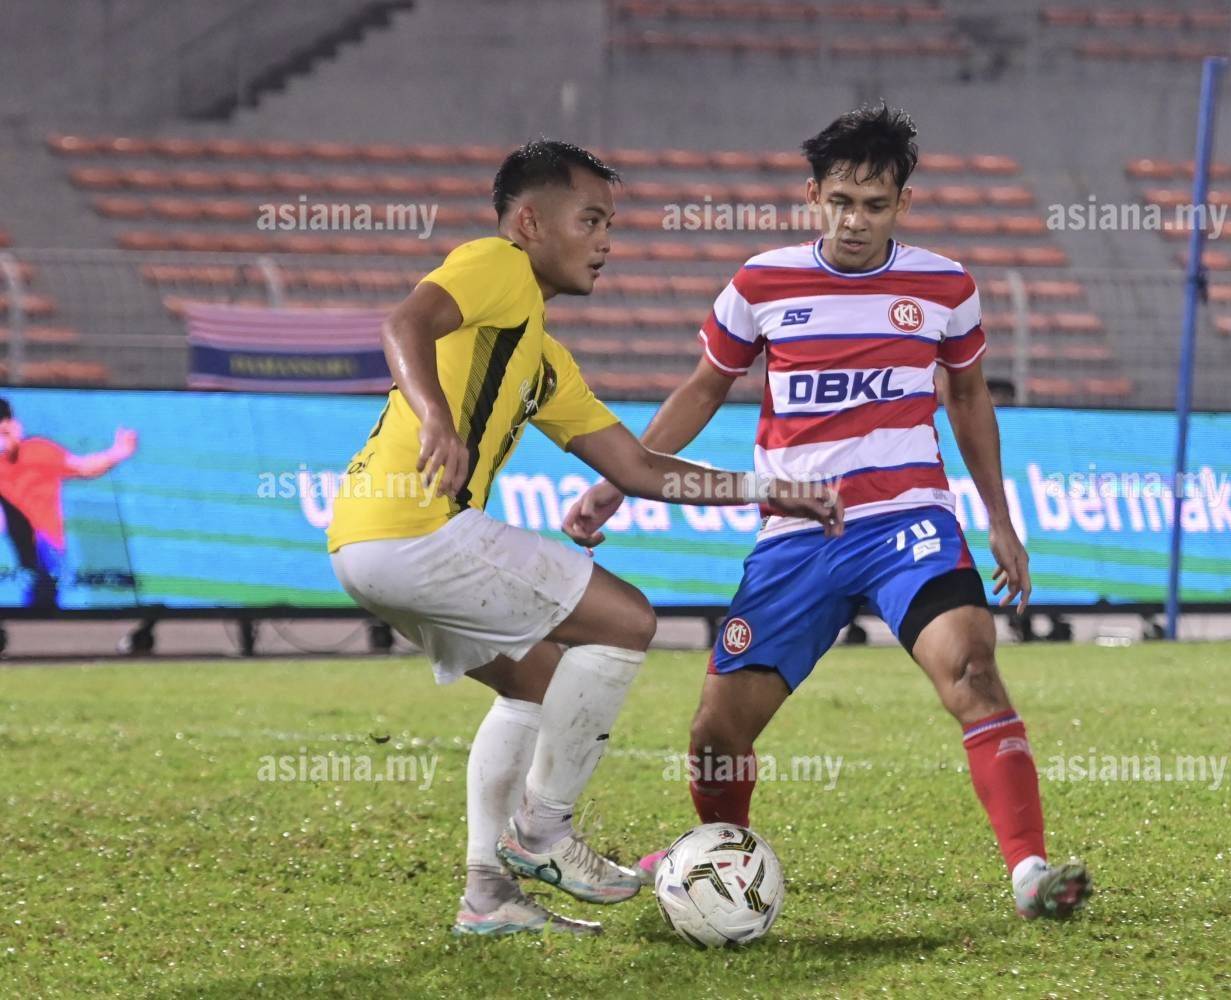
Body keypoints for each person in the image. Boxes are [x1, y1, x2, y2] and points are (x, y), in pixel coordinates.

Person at [563, 107, 1091, 919]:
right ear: (813, 195)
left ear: (903, 204)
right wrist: (619, 480)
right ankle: (720, 858)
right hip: (796, 535)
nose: (854, 221)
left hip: (909, 524)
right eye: (840, 201)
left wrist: (1000, 519)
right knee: (715, 736)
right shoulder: (760, 284)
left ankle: (1029, 872)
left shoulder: (946, 286)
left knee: (974, 672)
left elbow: (968, 399)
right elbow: (704, 389)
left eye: (874, 205)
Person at [325, 140, 843, 938]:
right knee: (626, 618)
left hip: (362, 546)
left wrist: (767, 489)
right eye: (590, 220)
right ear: (530, 223)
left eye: (610, 224)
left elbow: (637, 467)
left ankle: (487, 895)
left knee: (535, 679)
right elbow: (406, 322)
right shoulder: (497, 264)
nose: (605, 241)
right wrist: (435, 418)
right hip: (415, 529)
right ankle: (542, 834)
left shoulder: (539, 354)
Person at [0, 398, 136, 609]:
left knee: (44, 603)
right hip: (14, 552)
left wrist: (117, 453)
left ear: (16, 426)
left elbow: (83, 467)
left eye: (6, 432)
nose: (3, 441)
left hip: (47, 550)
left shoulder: (37, 451)